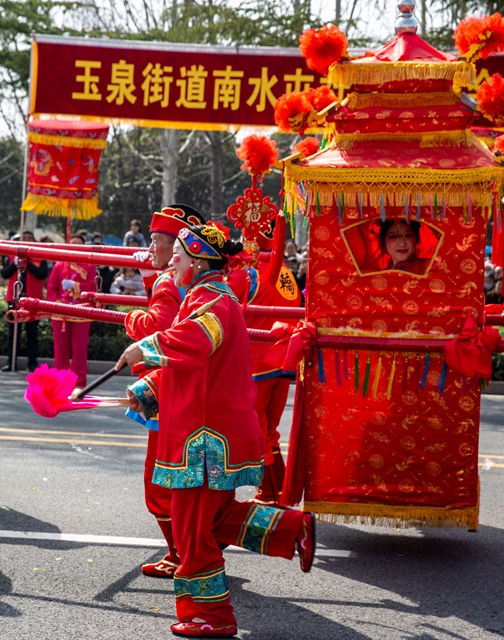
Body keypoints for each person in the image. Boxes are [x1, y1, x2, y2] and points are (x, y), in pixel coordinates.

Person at [117, 222, 315, 638]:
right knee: (216, 518)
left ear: (198, 261)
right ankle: (291, 529)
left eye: (177, 257)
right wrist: (145, 392)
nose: (172, 264)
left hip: (205, 439)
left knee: (192, 533)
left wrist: (145, 347)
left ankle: (212, 615)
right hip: (206, 430)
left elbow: (193, 343)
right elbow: (193, 369)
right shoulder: (206, 297)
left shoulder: (214, 301)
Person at [122, 203, 204, 579]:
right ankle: (197, 548)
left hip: (166, 388)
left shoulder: (170, 282)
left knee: (161, 482)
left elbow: (159, 328)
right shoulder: (195, 282)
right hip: (188, 389)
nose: (151, 248)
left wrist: (130, 318)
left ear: (179, 250)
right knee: (191, 479)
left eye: (158, 241)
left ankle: (181, 554)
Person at [226, 217, 302, 507]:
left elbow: (220, 309)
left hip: (255, 362)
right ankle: (277, 491)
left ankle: (270, 493)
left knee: (255, 430)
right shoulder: (284, 272)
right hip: (282, 360)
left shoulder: (244, 272)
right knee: (268, 430)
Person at [48, 233, 97, 387]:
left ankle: (78, 384)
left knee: (79, 351)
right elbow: (51, 288)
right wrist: (57, 303)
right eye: (73, 242)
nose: (75, 245)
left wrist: (75, 285)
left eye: (79, 243)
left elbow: (92, 287)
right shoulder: (59, 266)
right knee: (60, 351)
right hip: (61, 312)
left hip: (81, 313)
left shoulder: (89, 266)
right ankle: (59, 383)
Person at [1, 231, 48, 372]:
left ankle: (32, 363)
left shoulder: (40, 256)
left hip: (33, 300)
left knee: (31, 333)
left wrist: (28, 264)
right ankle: (11, 361)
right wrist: (15, 263)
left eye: (29, 238)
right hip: (14, 298)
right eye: (24, 238)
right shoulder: (11, 256)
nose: (26, 240)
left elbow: (42, 274)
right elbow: (4, 274)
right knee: (13, 333)